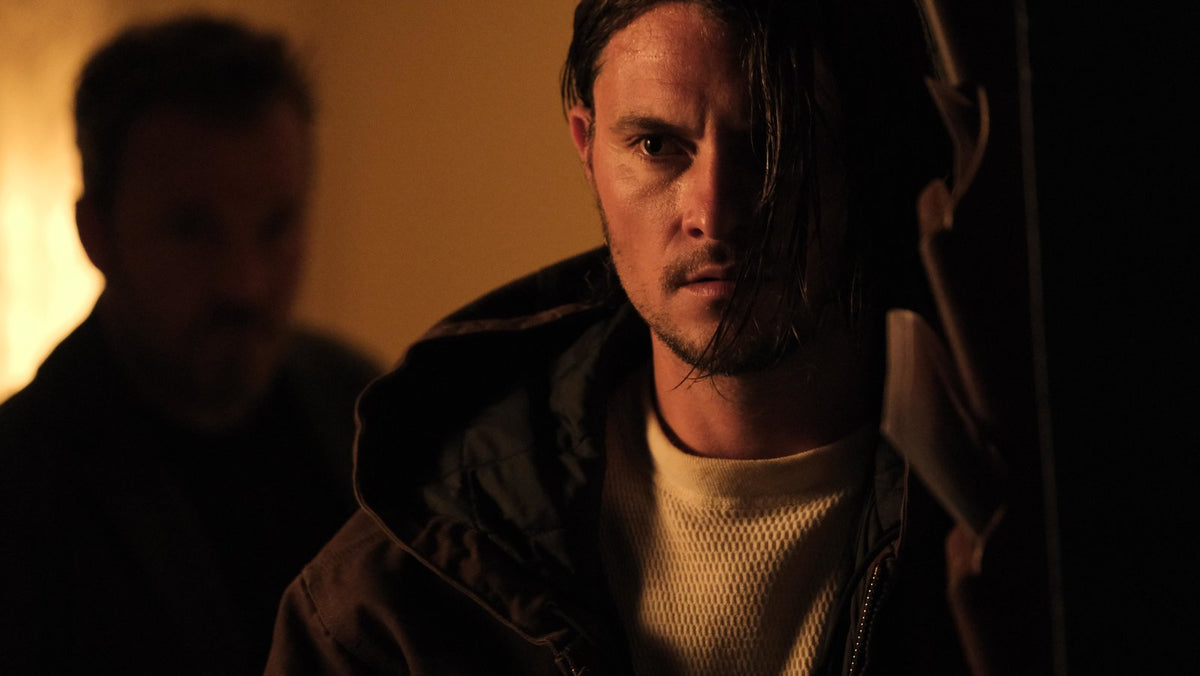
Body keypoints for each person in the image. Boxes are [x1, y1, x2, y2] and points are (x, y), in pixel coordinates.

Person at [267, 1, 984, 673]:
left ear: (864, 152)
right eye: (656, 145)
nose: (713, 213)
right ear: (587, 148)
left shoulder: (1004, 524)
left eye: (777, 142)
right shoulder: (396, 597)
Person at [0, 15, 380, 675]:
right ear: (97, 234)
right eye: (191, 231)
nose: (245, 283)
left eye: (277, 226)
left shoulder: (365, 412)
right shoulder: (21, 487)